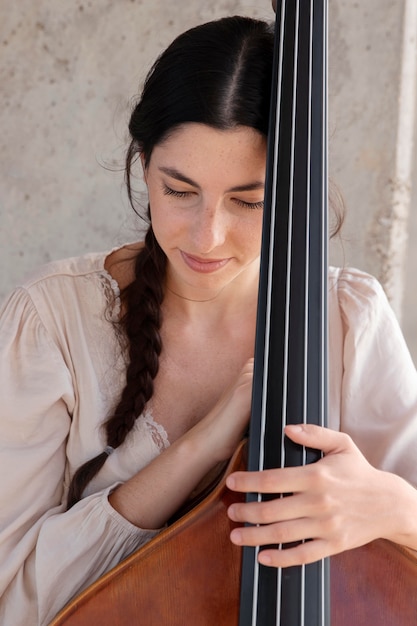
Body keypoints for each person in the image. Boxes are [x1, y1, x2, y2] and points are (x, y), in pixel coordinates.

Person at [0, 14, 417, 626]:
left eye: (248, 201)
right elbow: (14, 597)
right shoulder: (51, 320)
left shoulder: (350, 320)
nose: (207, 235)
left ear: (293, 195)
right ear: (143, 164)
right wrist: (202, 447)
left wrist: (394, 508)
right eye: (179, 190)